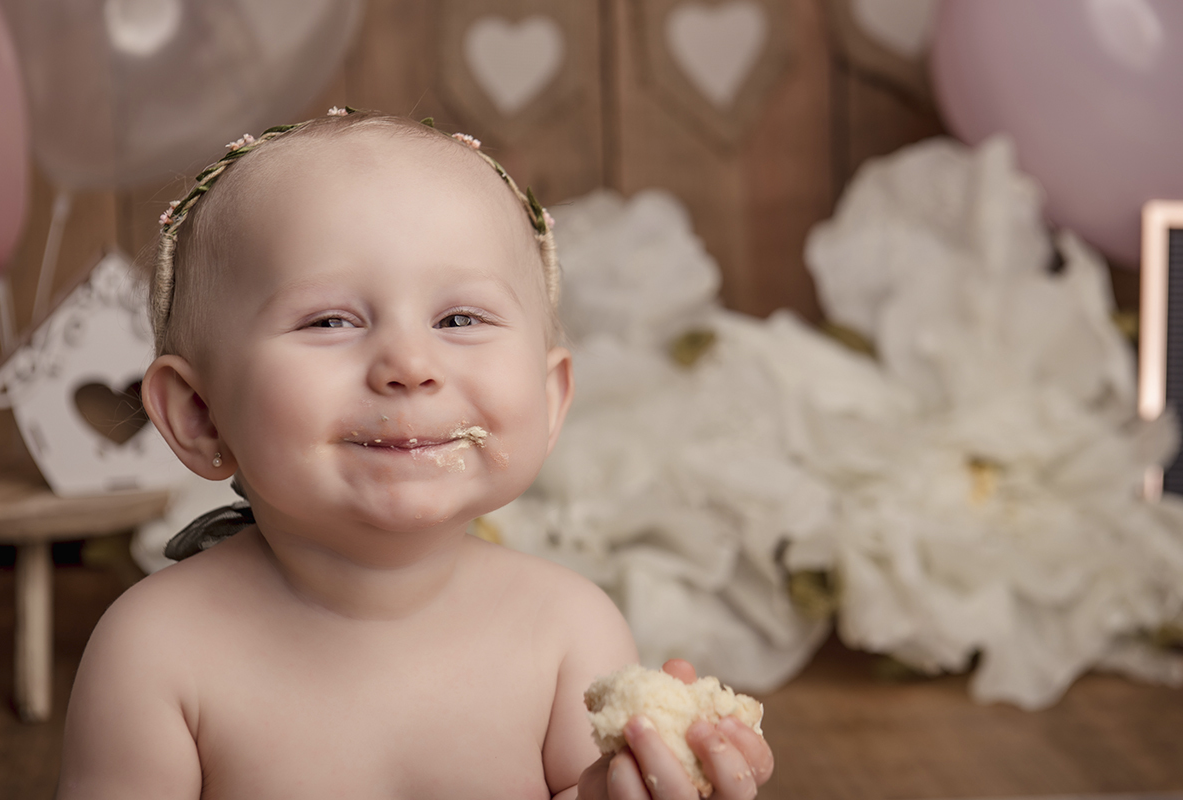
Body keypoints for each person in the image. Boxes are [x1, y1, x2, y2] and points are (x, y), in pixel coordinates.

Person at [55, 109, 773, 800]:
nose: (409, 365)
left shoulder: (568, 636)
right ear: (200, 414)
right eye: (330, 320)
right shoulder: (157, 651)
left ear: (550, 397)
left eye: (459, 318)